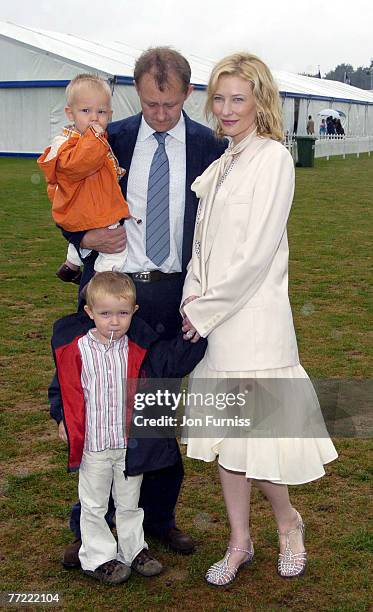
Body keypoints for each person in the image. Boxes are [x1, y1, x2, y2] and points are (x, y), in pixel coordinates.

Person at [57, 47, 227, 566]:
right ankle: (92, 528)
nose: (159, 114)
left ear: (188, 95)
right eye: (151, 103)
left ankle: (158, 519)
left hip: (170, 294)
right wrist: (83, 234)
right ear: (137, 93)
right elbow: (66, 196)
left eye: (170, 105)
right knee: (99, 409)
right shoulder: (105, 137)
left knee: (154, 413)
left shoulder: (210, 147)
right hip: (112, 291)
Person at [180, 52, 338, 585]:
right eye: (219, 99)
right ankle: (239, 541)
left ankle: (289, 523)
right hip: (217, 322)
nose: (225, 109)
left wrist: (202, 310)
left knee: (262, 441)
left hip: (255, 321)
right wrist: (191, 299)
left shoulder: (272, 159)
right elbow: (201, 247)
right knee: (228, 439)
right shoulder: (224, 161)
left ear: (260, 102)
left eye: (237, 99)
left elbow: (255, 254)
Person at [51, 271, 207, 584]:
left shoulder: (140, 350)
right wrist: (61, 418)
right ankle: (98, 557)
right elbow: (60, 388)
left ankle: (133, 548)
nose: (114, 322)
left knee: (129, 501)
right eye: (105, 314)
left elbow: (177, 359)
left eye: (122, 314)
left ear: (134, 313)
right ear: (89, 312)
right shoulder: (75, 349)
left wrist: (202, 326)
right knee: (94, 504)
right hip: (94, 443)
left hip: (128, 445)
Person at [38, 74, 133, 285]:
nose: (94, 118)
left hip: (82, 209)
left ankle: (70, 265)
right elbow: (80, 164)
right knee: (116, 251)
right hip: (92, 209)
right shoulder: (70, 142)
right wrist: (95, 138)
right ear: (69, 113)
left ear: (110, 114)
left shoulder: (89, 140)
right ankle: (100, 284)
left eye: (101, 112)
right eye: (85, 111)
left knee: (83, 236)